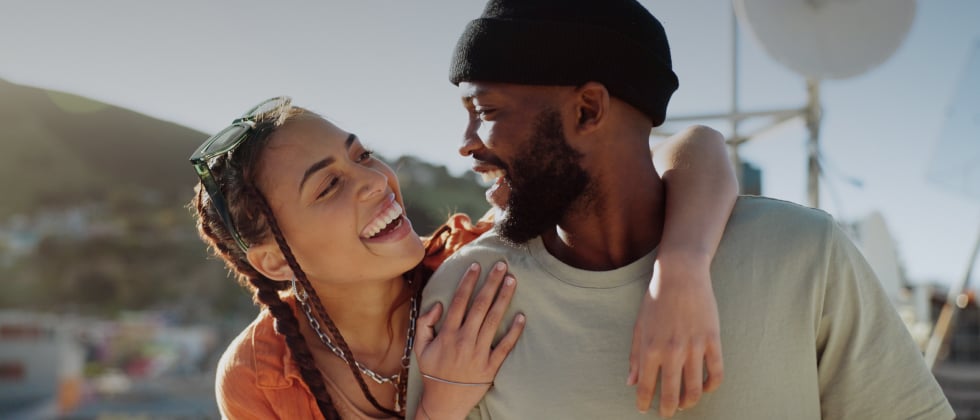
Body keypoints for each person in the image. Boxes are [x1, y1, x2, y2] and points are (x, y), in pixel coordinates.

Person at [406, 0, 956, 419]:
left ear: (588, 109)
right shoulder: (467, 295)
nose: (466, 142)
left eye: (486, 110)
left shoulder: (802, 253)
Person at [189, 96, 737, 419]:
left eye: (362, 156)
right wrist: (442, 405)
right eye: (329, 184)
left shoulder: (470, 266)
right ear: (276, 262)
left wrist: (681, 269)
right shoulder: (260, 378)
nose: (376, 182)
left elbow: (696, 147)